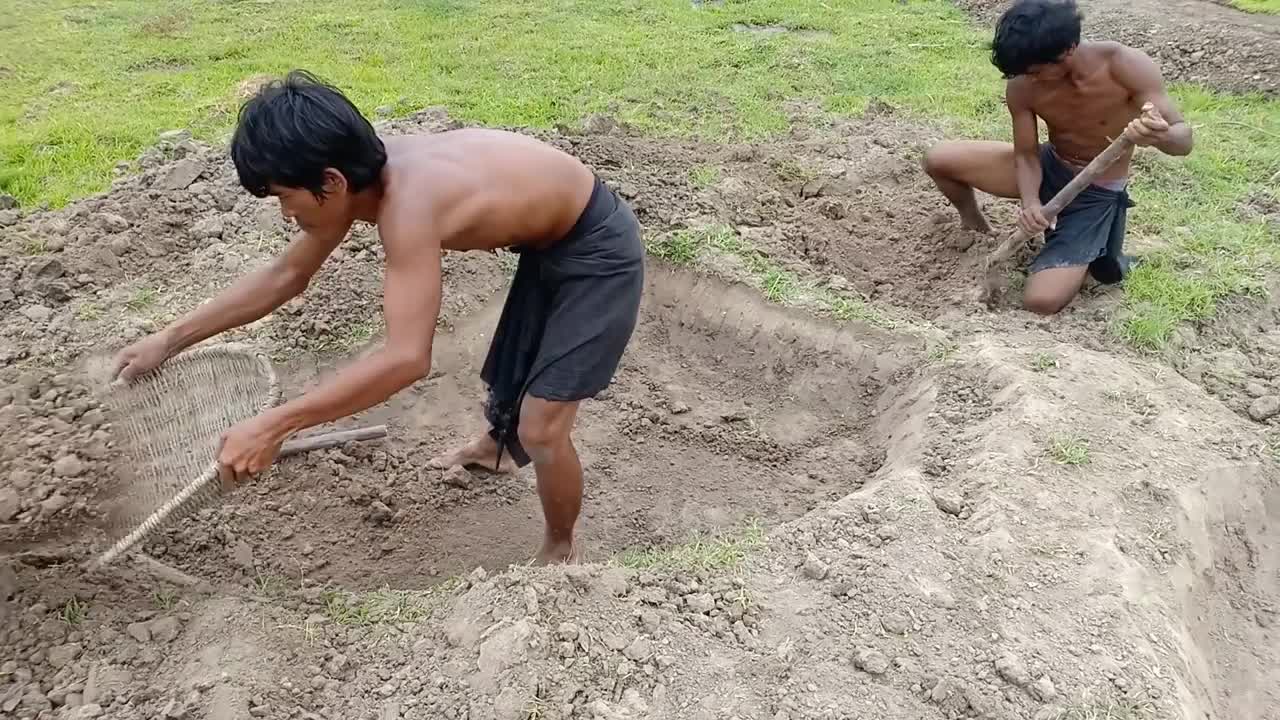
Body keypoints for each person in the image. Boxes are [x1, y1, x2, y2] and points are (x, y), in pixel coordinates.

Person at [111, 70, 645, 564]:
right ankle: (496, 451)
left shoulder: (407, 206)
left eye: (284, 197)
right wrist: (170, 338)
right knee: (517, 369)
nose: (285, 213)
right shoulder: (355, 176)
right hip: (547, 238)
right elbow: (285, 277)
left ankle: (560, 550)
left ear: (332, 182)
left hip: (598, 248)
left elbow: (407, 358)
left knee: (543, 424)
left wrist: (275, 423)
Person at [922, 0, 1193, 315]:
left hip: (1096, 191)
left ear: (1068, 50)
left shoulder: (1125, 67)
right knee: (938, 158)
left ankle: (1095, 256)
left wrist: (1160, 134)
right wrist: (1030, 202)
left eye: (1036, 72)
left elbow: (1184, 141)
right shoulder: (1023, 82)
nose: (1029, 80)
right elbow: (1025, 154)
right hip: (1049, 164)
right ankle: (977, 229)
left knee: (1040, 301)